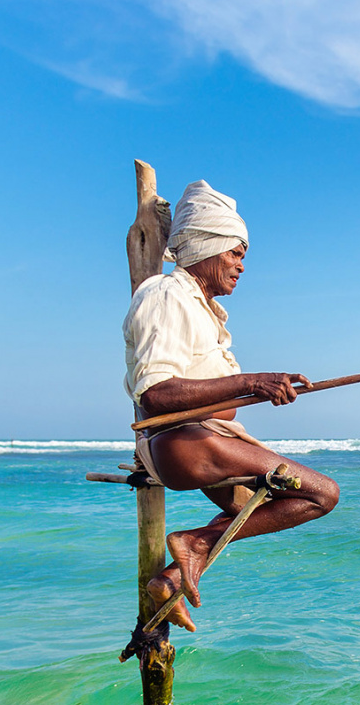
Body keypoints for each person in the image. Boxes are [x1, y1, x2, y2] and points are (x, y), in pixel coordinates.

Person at [123, 180, 339, 631]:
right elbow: (155, 393)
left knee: (257, 508)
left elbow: (224, 408)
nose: (242, 266)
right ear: (206, 246)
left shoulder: (207, 314)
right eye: (236, 254)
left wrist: (256, 391)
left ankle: (168, 579)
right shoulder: (166, 295)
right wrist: (251, 381)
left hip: (202, 440)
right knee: (323, 493)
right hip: (182, 444)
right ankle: (194, 543)